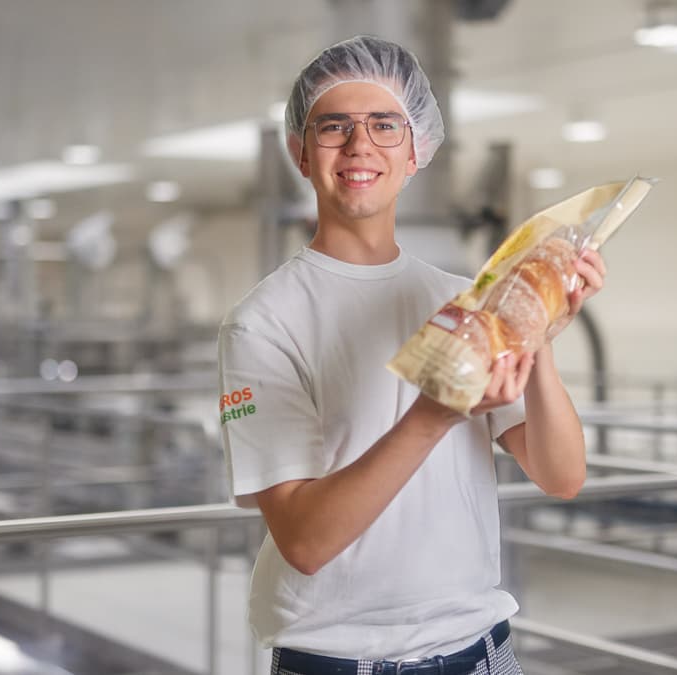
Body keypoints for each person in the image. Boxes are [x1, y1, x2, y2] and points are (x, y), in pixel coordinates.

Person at [218, 35, 607, 675]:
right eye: (333, 126)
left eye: (385, 126)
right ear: (300, 151)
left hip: (480, 650)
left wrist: (539, 327)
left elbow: (561, 475)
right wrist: (436, 412)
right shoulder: (262, 322)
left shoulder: (464, 298)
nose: (359, 145)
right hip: (336, 659)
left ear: (417, 149)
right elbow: (306, 543)